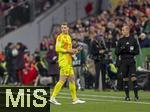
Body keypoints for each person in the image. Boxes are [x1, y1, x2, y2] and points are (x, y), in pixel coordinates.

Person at [50, 23, 85, 105]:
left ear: (68, 28)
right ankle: (53, 98)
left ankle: (74, 99)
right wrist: (69, 51)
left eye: (65, 28)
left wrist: (75, 51)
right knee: (62, 80)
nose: (63, 29)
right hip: (64, 61)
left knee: (72, 79)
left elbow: (69, 50)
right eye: (62, 28)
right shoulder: (60, 37)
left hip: (69, 61)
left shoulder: (69, 37)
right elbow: (57, 48)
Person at [115, 25, 140, 101]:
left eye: (123, 30)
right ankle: (127, 96)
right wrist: (122, 50)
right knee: (125, 79)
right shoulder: (120, 40)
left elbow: (137, 51)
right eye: (122, 30)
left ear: (127, 30)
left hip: (131, 60)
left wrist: (130, 51)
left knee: (133, 78)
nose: (122, 31)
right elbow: (116, 52)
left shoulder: (133, 40)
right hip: (123, 61)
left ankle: (136, 96)